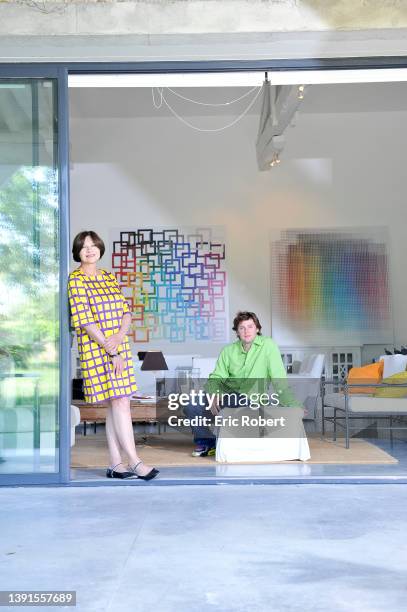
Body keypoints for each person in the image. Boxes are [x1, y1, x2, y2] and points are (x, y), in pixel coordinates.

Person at [68, 231, 158, 480]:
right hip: (97, 349)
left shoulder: (108, 276)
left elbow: (126, 311)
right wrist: (112, 348)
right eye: (84, 246)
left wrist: (119, 337)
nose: (89, 249)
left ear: (99, 248)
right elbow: (84, 320)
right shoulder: (75, 280)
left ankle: (115, 464)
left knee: (117, 403)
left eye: (93, 245)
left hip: (119, 345)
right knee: (119, 403)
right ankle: (135, 462)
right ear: (77, 252)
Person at [184, 311, 303, 457]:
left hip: (250, 398)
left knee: (236, 398)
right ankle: (208, 442)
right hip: (227, 395)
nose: (246, 331)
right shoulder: (228, 351)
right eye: (242, 328)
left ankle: (228, 440)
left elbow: (278, 377)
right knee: (192, 404)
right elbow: (216, 376)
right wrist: (214, 393)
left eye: (250, 326)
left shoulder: (268, 346)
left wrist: (291, 403)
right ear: (237, 332)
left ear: (257, 328)